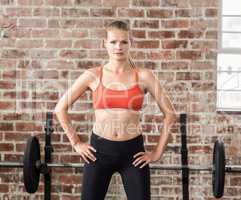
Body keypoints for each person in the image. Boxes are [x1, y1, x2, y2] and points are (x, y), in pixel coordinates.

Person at [54, 20, 176, 200]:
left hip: (133, 153)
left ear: (130, 43)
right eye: (113, 42)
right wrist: (76, 143)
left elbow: (170, 114)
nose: (118, 46)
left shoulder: (144, 76)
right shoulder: (93, 75)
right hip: (99, 152)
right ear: (104, 43)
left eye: (124, 42)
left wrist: (157, 152)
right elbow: (60, 109)